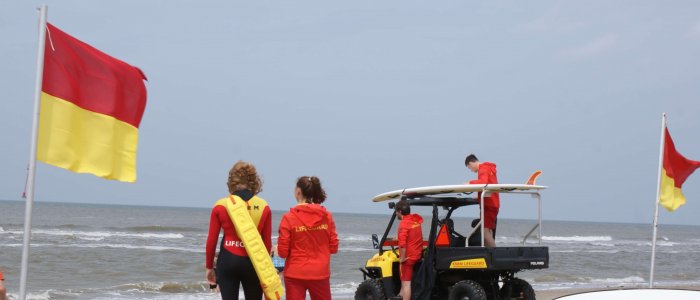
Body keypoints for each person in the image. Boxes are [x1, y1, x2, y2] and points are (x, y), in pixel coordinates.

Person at [205, 161, 272, 300]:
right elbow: (266, 244)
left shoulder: (221, 205)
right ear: (253, 180)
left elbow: (211, 241)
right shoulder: (264, 206)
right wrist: (268, 272)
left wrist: (209, 268)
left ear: (231, 180)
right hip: (253, 263)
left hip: (228, 260)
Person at [277, 176, 339, 300]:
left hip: (295, 273)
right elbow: (333, 247)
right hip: (320, 273)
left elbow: (283, 253)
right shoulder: (327, 216)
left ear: (298, 191)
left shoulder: (289, 218)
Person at [465, 154, 499, 247]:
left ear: (471, 163)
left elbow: (483, 182)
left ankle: (494, 255)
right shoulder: (488, 168)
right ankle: (489, 254)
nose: (471, 170)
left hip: (488, 204)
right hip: (493, 203)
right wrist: (478, 197)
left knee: (484, 233)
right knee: (489, 231)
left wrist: (470, 183)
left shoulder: (483, 169)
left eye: (470, 168)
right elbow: (487, 185)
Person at [395, 199, 424, 300]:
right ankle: (400, 294)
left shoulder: (403, 224)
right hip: (417, 255)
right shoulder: (415, 220)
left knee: (407, 284)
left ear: (400, 212)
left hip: (408, 258)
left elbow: (402, 244)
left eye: (396, 212)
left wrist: (402, 258)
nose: (396, 214)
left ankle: (403, 294)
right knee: (402, 275)